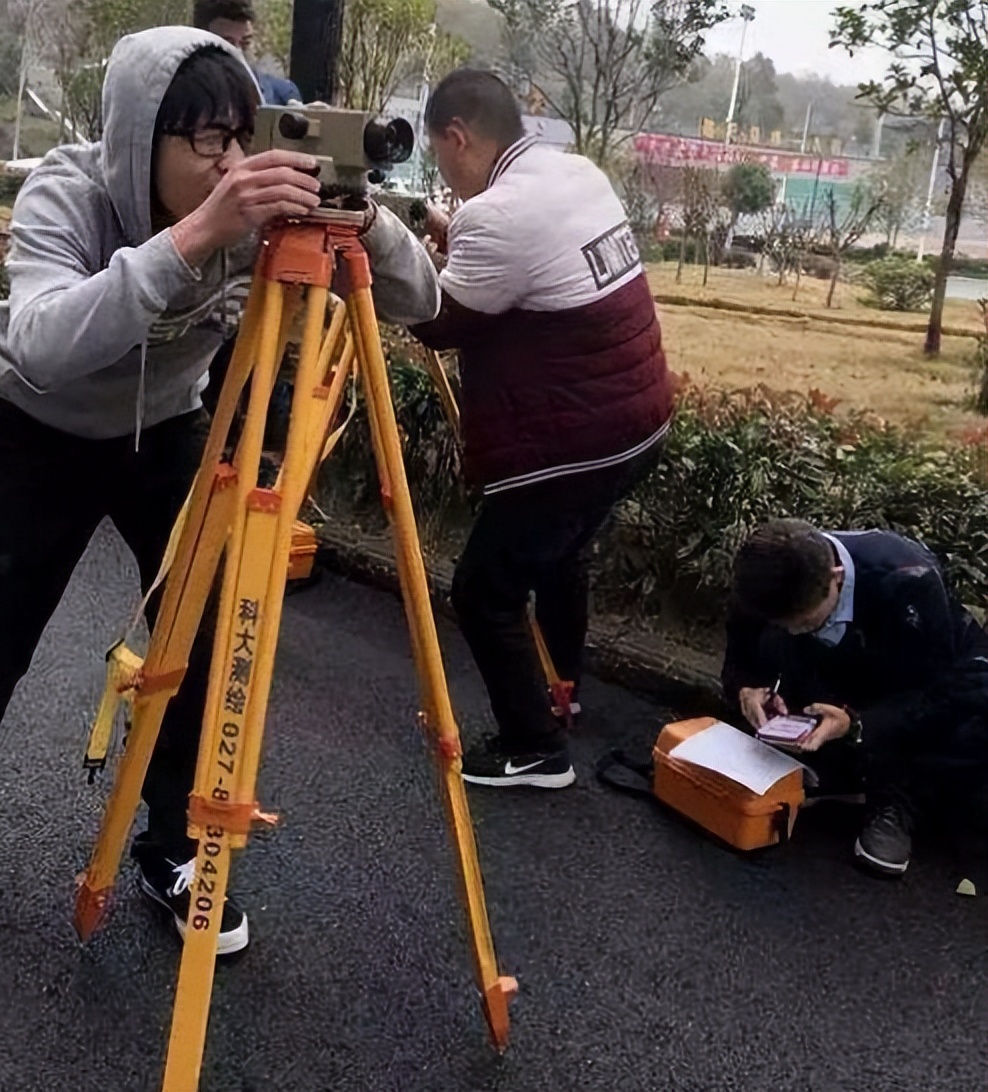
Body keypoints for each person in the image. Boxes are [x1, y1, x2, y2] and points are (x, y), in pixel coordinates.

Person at [0, 27, 439, 946]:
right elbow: (40, 341)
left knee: (201, 631)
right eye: (205, 140)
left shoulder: (254, 204)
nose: (230, 161)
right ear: (137, 138)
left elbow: (421, 301)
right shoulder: (67, 192)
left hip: (164, 428)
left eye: (243, 136)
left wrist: (358, 213)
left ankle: (172, 844)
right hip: (36, 430)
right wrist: (197, 233)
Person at [409, 70, 673, 790]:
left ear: (458, 136)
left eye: (440, 156)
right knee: (560, 554)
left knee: (484, 591)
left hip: (573, 444)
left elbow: (441, 322)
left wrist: (379, 253)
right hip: (639, 422)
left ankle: (535, 747)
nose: (446, 176)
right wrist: (449, 228)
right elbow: (519, 260)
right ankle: (562, 689)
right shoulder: (573, 171)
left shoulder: (498, 215)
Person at [723, 519, 988, 877]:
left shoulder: (907, 578)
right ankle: (833, 761)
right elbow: (741, 650)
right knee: (774, 644)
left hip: (914, 675)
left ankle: (898, 796)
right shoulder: (762, 578)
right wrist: (748, 686)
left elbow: (934, 692)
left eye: (805, 620)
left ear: (835, 576)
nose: (796, 629)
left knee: (968, 720)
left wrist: (861, 723)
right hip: (837, 673)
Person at [193, 0, 302, 106]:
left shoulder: (281, 94)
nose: (238, 53)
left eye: (246, 42)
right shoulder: (184, 93)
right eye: (226, 44)